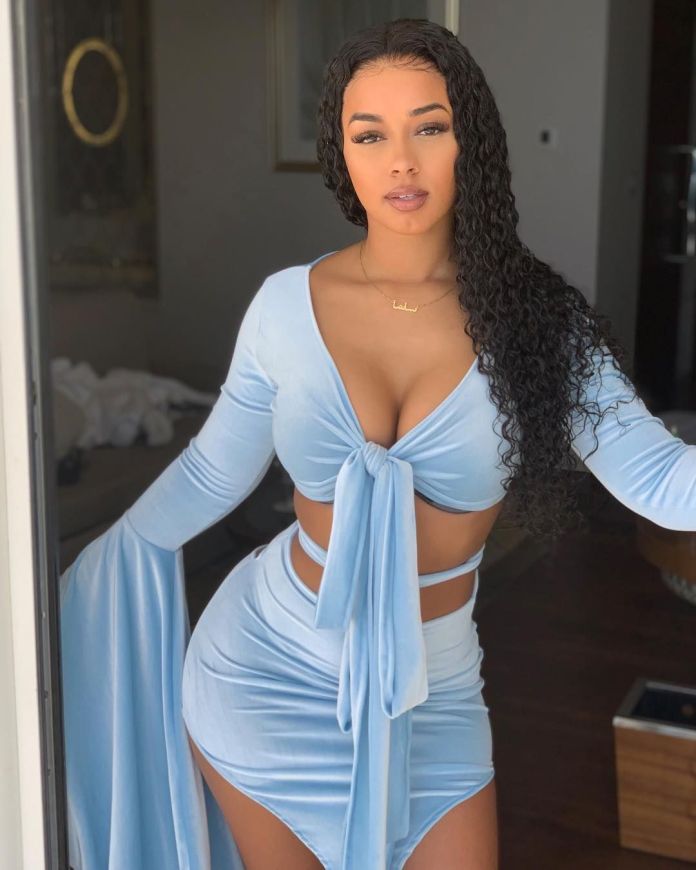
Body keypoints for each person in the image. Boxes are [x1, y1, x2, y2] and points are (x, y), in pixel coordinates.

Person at [60, 18, 696, 870]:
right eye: (370, 135)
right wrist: (96, 569)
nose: (401, 162)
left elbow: (661, 479)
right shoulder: (285, 307)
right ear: (343, 156)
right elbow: (213, 471)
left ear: (470, 144)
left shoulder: (542, 328)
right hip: (265, 672)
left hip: (431, 696)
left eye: (428, 128)